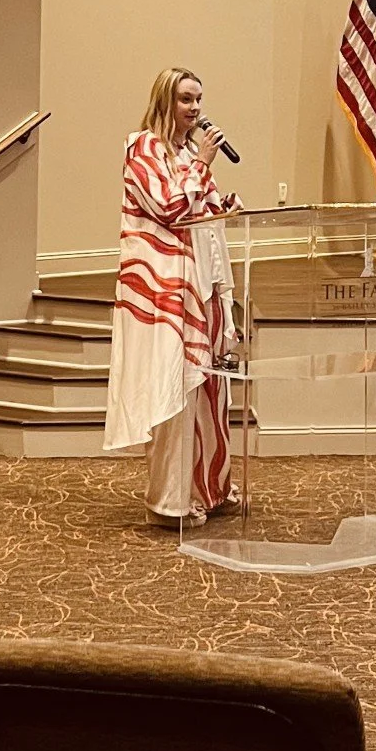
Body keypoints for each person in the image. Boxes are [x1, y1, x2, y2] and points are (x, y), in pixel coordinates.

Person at [103, 67, 241, 525]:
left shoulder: (186, 152)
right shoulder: (143, 146)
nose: (196, 109)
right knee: (174, 392)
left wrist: (224, 205)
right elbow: (168, 206)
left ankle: (210, 488)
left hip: (202, 284)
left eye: (199, 99)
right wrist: (203, 164)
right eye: (186, 99)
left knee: (209, 391)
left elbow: (197, 206)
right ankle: (168, 501)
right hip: (165, 290)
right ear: (165, 100)